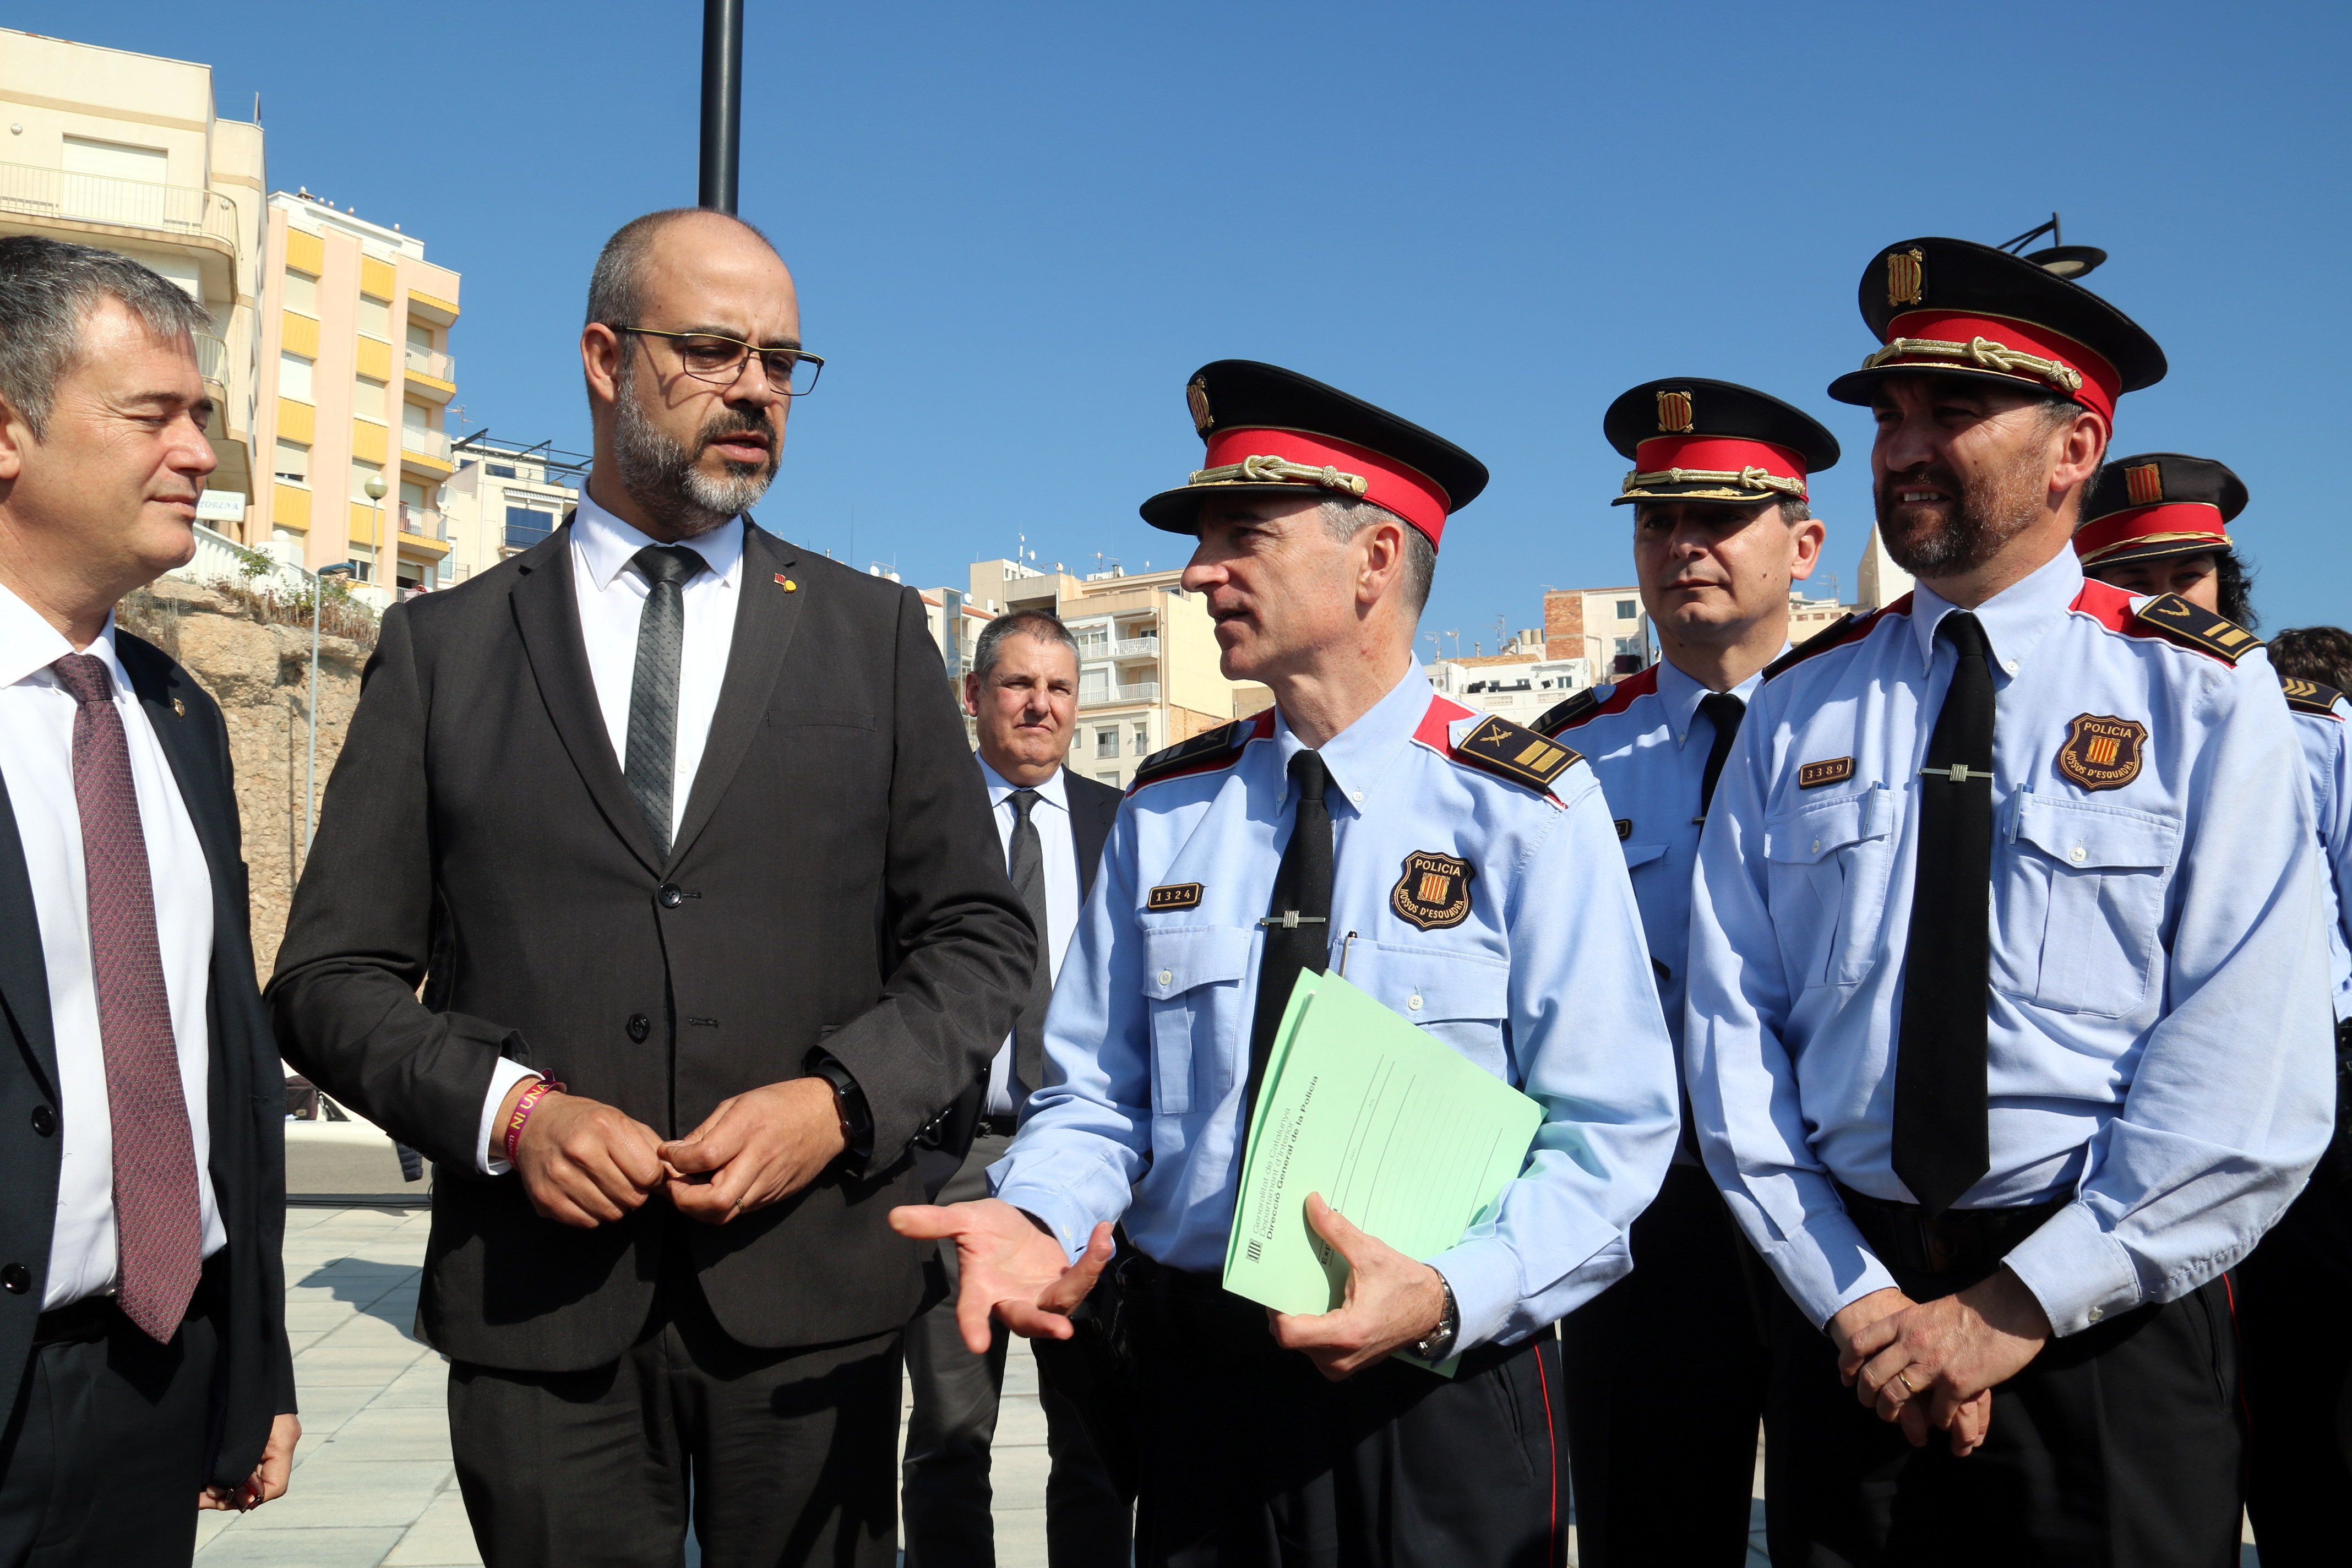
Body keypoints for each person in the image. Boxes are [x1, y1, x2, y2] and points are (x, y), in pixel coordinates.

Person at [267, 209, 1035, 1568]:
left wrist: (839, 1097)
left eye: (783, 360)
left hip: (813, 1312)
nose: (755, 387)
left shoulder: (876, 637)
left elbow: (976, 940)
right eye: (713, 349)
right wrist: (513, 1112)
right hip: (542, 1317)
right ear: (605, 358)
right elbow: (331, 978)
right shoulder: (443, 651)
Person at [894, 360, 1681, 1567]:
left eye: (1243, 534)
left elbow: (1613, 1133)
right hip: (1204, 1386)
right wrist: (1038, 1209)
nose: (1203, 569)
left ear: (1373, 559)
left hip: (1439, 1382)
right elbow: (1099, 1096)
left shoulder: (1526, 807)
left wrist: (1452, 1289)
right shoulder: (1170, 808)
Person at [1683, 236, 2335, 1566]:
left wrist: (2011, 1306)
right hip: (1848, 1318)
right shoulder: (1799, 704)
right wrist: (1859, 1300)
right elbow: (1731, 1034)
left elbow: (2251, 1071)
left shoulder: (2198, 693)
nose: (1902, 447)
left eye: (1953, 411)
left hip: (2106, 1315)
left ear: (2072, 447)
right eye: (1888, 414)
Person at [0, 236, 297, 1562]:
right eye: (153, 415)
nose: (201, 455)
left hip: (150, 1384)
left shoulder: (177, 716)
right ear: (7, 431)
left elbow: (223, 1061)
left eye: (204, 417)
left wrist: (257, 1353)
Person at [1537, 378, 1834, 1566]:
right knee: (1646, 1529)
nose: (1684, 544)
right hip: (1648, 1214)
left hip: (1836, 1207)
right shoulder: (1565, 757)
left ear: (1805, 544)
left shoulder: (1857, 725)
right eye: (1658, 520)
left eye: (1720, 515)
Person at [901, 607, 1130, 1567]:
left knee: (1097, 1438)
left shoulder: (1123, 824)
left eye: (1059, 688)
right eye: (1017, 684)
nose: (1040, 704)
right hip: (950, 1160)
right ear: (973, 696)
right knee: (952, 1435)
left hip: (1084, 1165)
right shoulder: (917, 820)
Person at [2071, 450, 2258, 625]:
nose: (2167, 599)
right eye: (2137, 584)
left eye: (2188, 576)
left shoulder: (2253, 661)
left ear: (2223, 587)